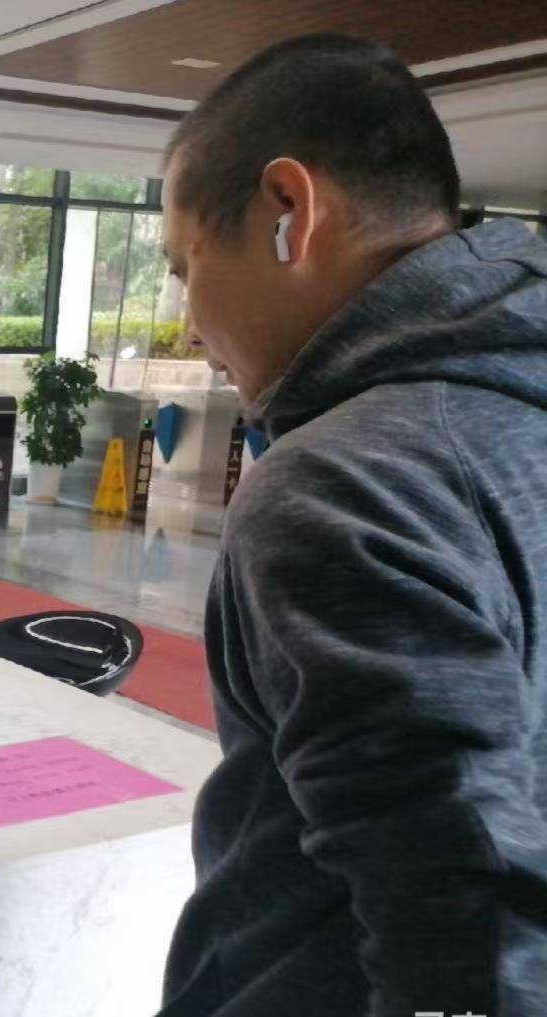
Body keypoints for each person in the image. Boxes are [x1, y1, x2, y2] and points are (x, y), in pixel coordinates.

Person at [156, 33, 547, 1017]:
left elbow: (459, 912)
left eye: (184, 263)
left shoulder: (341, 484)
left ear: (287, 211)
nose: (190, 322)